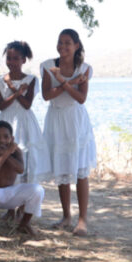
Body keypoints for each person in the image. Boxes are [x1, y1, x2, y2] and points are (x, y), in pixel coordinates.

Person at [41, 28, 95, 237]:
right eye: (60, 42)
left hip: (75, 120)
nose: (62, 47)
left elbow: (80, 98)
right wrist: (71, 82)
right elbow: (47, 95)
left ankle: (82, 220)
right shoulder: (47, 66)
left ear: (76, 46)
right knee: (62, 169)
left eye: (67, 43)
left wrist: (63, 81)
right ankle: (66, 216)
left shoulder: (85, 68)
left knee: (81, 170)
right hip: (56, 119)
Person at [0, 121, 45, 236]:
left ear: (12, 138)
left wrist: (2, 152)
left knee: (37, 190)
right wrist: (4, 152)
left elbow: (20, 169)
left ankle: (24, 224)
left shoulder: (17, 152)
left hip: (12, 193)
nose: (1, 140)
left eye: (6, 137)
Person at [0, 41, 50, 185]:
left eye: (16, 58)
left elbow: (26, 104)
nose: (11, 62)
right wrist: (17, 91)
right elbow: (1, 106)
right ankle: (10, 202)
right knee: (7, 155)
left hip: (24, 121)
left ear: (23, 60)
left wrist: (12, 87)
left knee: (25, 157)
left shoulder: (31, 80)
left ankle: (23, 202)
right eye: (9, 58)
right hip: (7, 120)